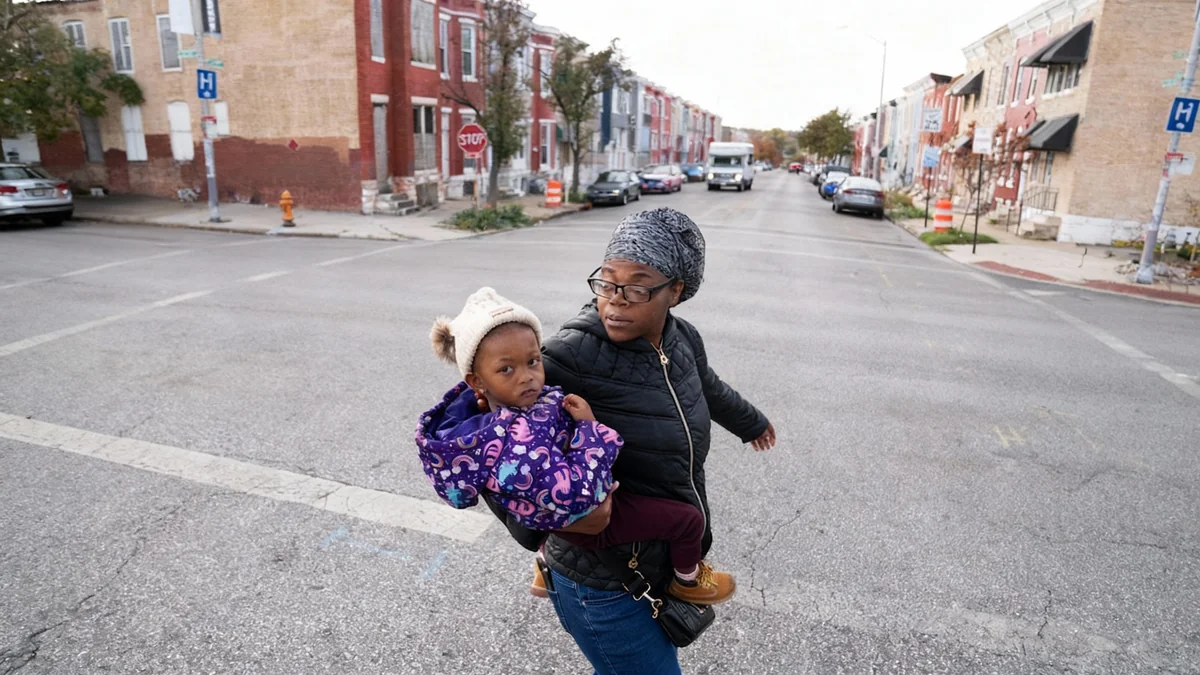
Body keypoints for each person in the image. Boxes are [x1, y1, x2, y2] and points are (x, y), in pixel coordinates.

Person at [490, 208, 777, 674]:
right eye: (607, 282)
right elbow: (484, 433)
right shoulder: (568, 355)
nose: (615, 301)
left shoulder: (682, 340)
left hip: (653, 558)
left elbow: (708, 386)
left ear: (676, 292)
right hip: (601, 580)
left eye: (638, 286)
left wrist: (751, 422)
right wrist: (540, 525)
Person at [414, 287, 739, 606]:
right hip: (587, 513)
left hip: (558, 511)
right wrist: (589, 428)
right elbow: (576, 492)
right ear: (476, 381)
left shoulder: (518, 408)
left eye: (533, 360)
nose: (527, 376)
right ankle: (688, 580)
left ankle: (545, 565)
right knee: (687, 520)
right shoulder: (515, 442)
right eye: (506, 369)